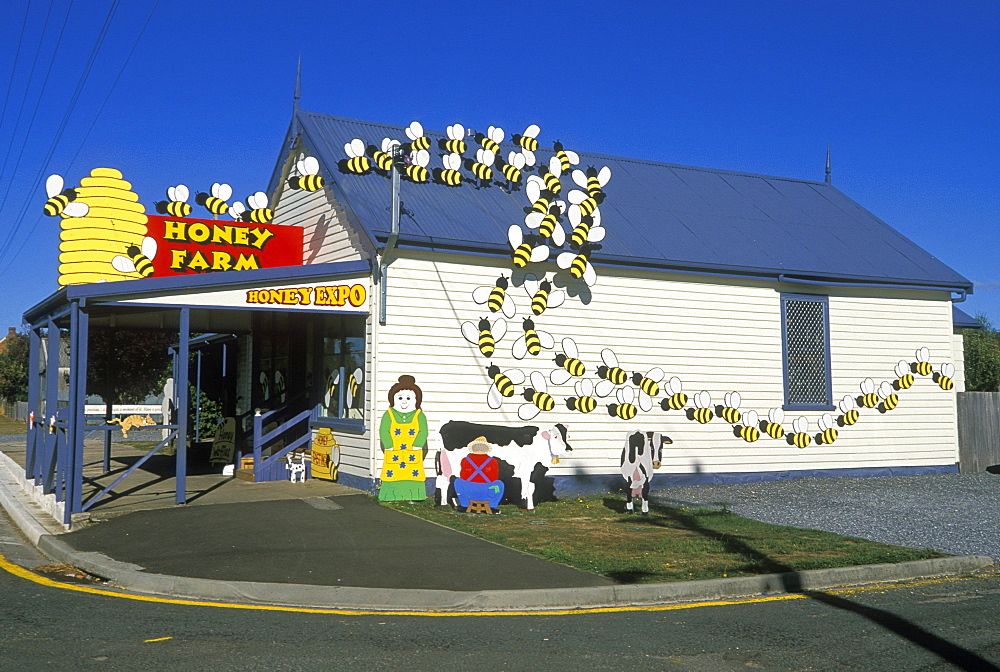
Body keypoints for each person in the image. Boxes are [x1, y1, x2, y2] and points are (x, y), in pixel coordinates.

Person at [378, 375, 429, 501]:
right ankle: (390, 495)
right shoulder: (389, 414)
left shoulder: (419, 415)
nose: (404, 402)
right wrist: (388, 446)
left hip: (413, 453)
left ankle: (414, 496)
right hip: (394, 452)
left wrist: (417, 445)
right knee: (392, 474)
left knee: (413, 475)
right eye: (400, 398)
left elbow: (423, 431)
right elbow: (384, 431)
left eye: (408, 398)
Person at [453, 436, 504, 512]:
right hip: (486, 491)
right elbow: (494, 478)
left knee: (457, 481)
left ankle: (465, 505)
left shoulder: (465, 460)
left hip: (469, 490)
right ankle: (492, 506)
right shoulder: (493, 461)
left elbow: (463, 477)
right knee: (499, 484)